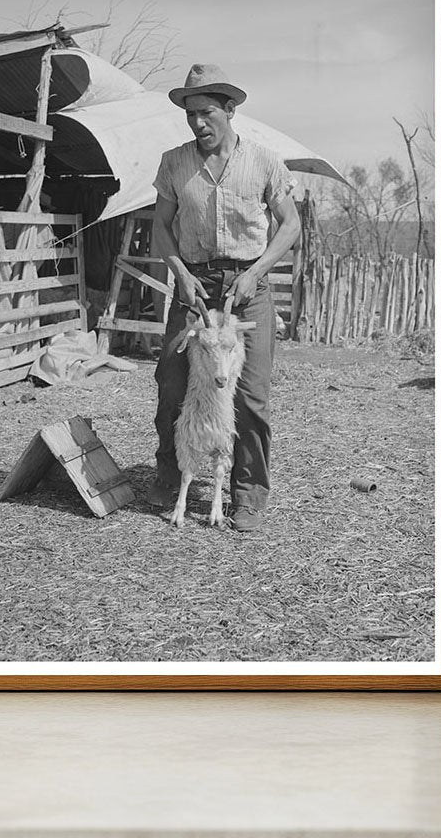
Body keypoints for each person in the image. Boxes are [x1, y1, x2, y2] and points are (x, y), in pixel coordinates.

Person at [146, 63, 301, 532]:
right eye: (191, 114)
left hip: (246, 291)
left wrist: (256, 272)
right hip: (194, 288)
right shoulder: (174, 163)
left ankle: (249, 493)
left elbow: (290, 225)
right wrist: (180, 274)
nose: (197, 123)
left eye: (207, 112)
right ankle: (173, 476)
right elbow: (160, 227)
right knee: (173, 382)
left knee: (250, 395)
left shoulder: (265, 162)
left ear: (230, 110)